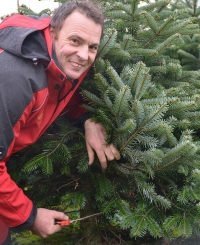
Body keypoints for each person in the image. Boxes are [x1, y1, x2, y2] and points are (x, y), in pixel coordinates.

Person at [0, 0, 120, 244]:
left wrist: (86, 119)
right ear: (53, 32)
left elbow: (64, 88)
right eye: (75, 41)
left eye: (93, 46)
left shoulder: (61, 58)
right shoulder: (14, 80)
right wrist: (30, 216)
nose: (84, 55)